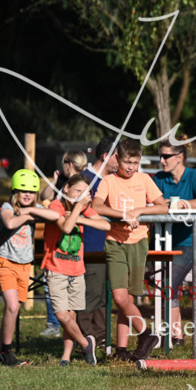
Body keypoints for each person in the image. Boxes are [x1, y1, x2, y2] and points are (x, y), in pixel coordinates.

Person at [92, 138, 169, 362]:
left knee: (128, 300)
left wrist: (138, 211)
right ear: (118, 159)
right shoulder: (108, 181)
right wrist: (123, 215)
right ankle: (147, 333)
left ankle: (122, 350)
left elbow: (162, 207)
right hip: (115, 243)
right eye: (127, 162)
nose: (130, 167)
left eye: (135, 163)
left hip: (138, 243)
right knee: (119, 296)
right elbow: (96, 206)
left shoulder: (144, 179)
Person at [0, 169, 61, 366]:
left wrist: (31, 211)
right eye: (23, 191)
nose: (27, 195)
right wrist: (28, 215)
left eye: (31, 192)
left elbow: (55, 215)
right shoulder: (8, 206)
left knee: (14, 309)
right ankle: (7, 352)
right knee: (13, 307)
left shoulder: (34, 208)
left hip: (25, 265)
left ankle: (2, 351)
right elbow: (9, 221)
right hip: (6, 262)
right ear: (15, 191)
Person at [42, 174, 110, 366]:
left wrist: (82, 218)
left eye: (85, 193)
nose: (81, 195)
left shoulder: (82, 210)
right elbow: (65, 227)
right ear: (66, 189)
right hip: (56, 268)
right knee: (62, 315)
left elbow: (105, 224)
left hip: (76, 269)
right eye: (78, 191)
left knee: (71, 316)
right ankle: (86, 343)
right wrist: (79, 208)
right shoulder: (57, 206)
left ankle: (66, 357)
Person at [152, 139, 196, 346]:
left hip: (187, 242)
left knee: (167, 285)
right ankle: (177, 335)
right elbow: (149, 203)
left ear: (180, 157)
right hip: (159, 241)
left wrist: (179, 204)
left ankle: (171, 335)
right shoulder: (159, 178)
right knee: (166, 285)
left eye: (166, 156)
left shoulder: (195, 175)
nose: (161, 160)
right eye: (161, 155)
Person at [38, 149, 89, 337]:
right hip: (59, 246)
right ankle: (78, 340)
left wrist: (79, 218)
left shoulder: (81, 186)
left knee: (66, 301)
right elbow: (45, 197)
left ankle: (64, 331)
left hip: (72, 249)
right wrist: (54, 180)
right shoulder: (63, 183)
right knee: (61, 298)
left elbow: (72, 224)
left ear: (69, 163)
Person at [77, 138, 118, 351]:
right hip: (89, 246)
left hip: (108, 246)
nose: (121, 161)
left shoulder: (112, 180)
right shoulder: (85, 179)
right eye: (117, 156)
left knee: (103, 293)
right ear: (105, 156)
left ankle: (101, 336)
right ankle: (85, 338)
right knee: (91, 293)